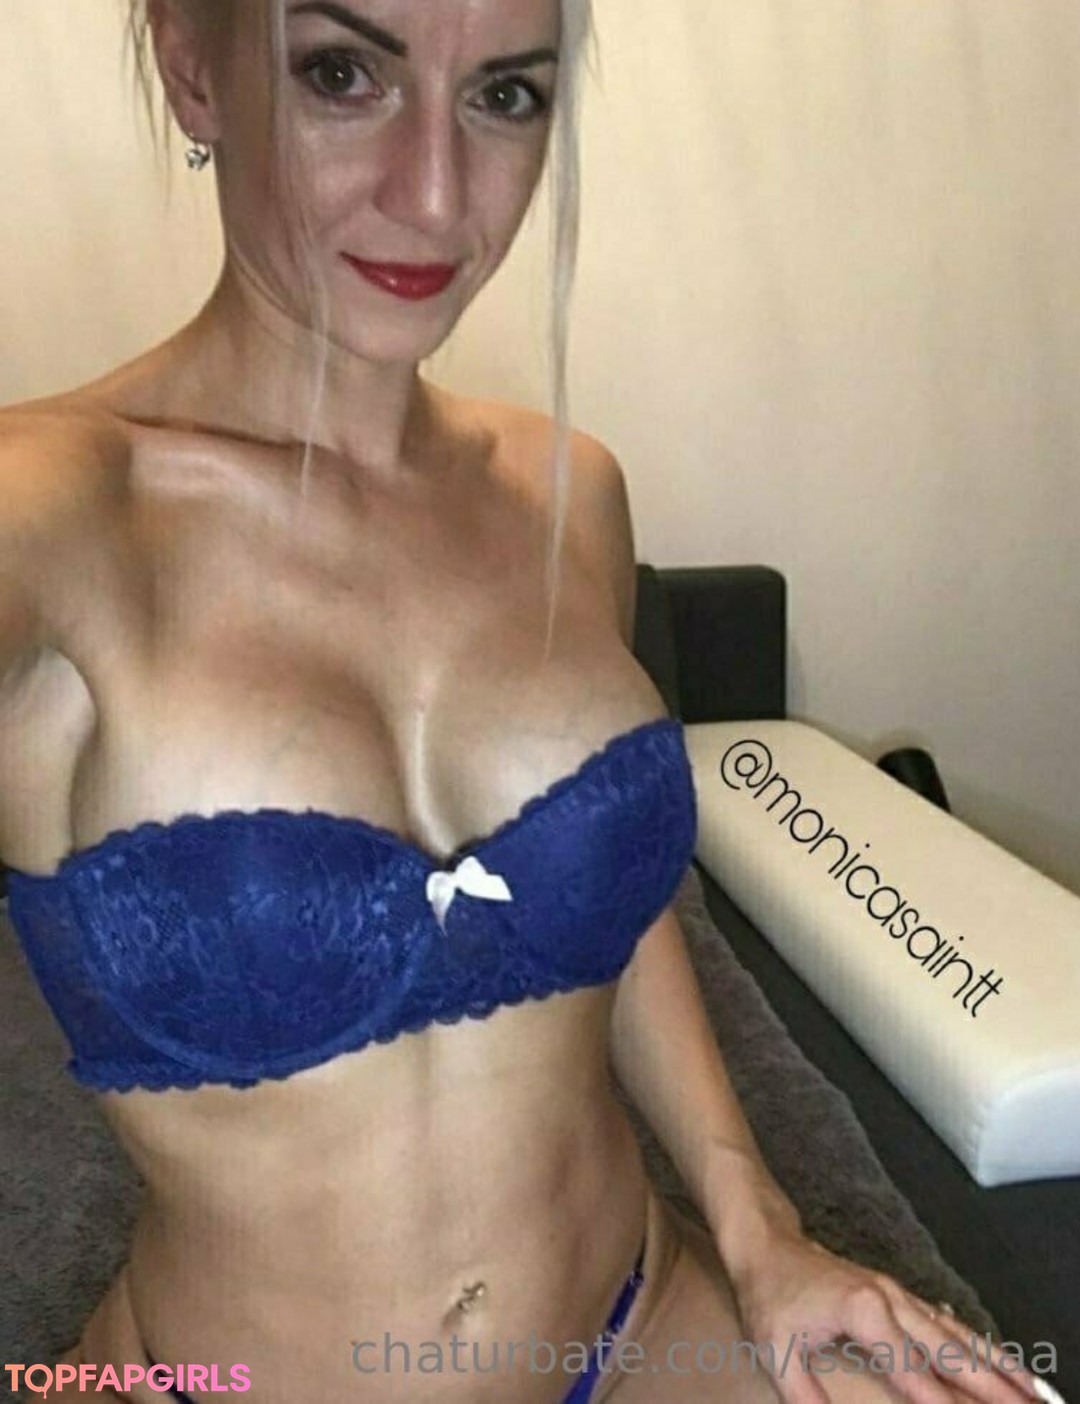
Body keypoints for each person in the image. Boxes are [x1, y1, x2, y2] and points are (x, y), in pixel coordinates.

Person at [0, 3, 1054, 1402]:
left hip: (633, 1319)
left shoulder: (570, 493)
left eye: (505, 96)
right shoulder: (52, 517)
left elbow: (606, 903)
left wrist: (759, 1224)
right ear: (194, 67)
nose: (438, 196)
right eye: (343, 74)